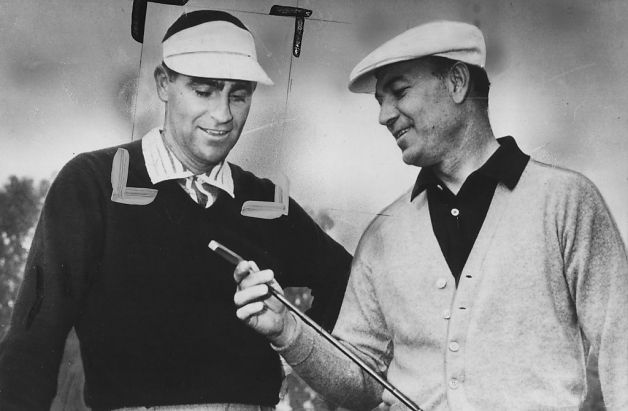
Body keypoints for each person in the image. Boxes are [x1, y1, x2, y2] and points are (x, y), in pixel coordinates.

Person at [233, 20, 628, 410]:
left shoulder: (566, 201)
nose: (384, 116)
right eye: (379, 101)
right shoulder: (383, 235)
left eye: (399, 92)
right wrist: (288, 330)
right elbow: (362, 382)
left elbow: (621, 342)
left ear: (457, 83)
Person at [0, 10, 351, 411]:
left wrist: (300, 352)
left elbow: (348, 280)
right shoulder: (93, 182)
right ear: (163, 84)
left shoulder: (265, 202)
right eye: (204, 91)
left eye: (239, 94)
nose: (223, 115)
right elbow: (34, 336)